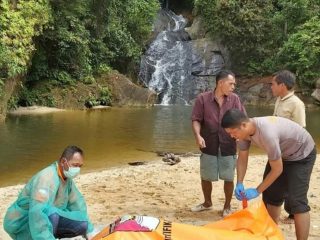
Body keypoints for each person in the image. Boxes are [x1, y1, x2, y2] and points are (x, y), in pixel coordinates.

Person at [221, 109, 316, 240]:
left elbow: (277, 170)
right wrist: (239, 183)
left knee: (297, 202)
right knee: (271, 196)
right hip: (281, 154)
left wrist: (256, 190)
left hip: (301, 154)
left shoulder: (267, 133)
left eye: (233, 132)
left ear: (243, 125)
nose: (232, 136)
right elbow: (242, 158)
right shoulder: (243, 134)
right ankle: (272, 235)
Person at [3, 145, 95, 240]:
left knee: (83, 223)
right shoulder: (46, 178)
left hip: (43, 219)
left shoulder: (67, 180)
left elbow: (77, 203)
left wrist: (89, 231)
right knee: (51, 213)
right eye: (75, 165)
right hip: (21, 224)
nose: (78, 169)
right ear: (63, 162)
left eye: (80, 166)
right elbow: (37, 212)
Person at [191, 69, 246, 216]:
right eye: (231, 83)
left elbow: (243, 119)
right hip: (208, 144)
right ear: (220, 83)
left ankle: (227, 206)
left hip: (228, 144)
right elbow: (196, 119)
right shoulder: (202, 99)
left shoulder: (235, 99)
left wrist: (241, 135)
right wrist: (197, 135)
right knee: (205, 176)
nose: (233, 87)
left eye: (234, 84)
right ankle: (207, 202)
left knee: (228, 177)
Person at [271, 70, 306, 221]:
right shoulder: (279, 99)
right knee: (278, 179)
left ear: (282, 85)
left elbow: (300, 130)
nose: (271, 87)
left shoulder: (296, 104)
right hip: (278, 149)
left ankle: (293, 213)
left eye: (273, 84)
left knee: (292, 182)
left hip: (292, 151)